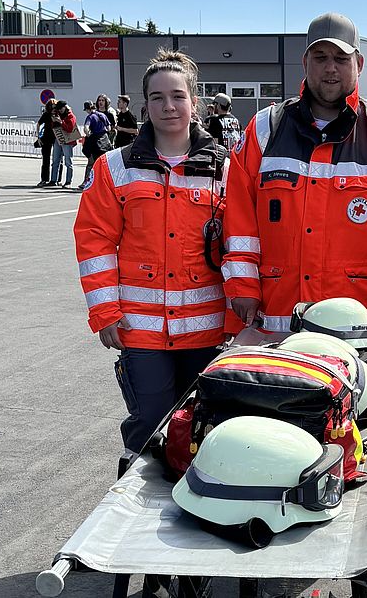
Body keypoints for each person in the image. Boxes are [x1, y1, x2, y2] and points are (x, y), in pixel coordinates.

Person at [73, 49, 240, 453]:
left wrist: (238, 318)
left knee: (205, 427)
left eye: (178, 96)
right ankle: (132, 485)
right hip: (141, 329)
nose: (169, 106)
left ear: (194, 102)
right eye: (157, 97)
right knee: (150, 423)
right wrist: (105, 312)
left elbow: (240, 245)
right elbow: (95, 241)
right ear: (144, 104)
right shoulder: (114, 167)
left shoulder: (225, 169)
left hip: (208, 328)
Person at [222, 12, 367, 336]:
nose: (331, 68)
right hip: (280, 321)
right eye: (321, 57)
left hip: (364, 329)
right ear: (305, 63)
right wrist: (243, 285)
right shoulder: (265, 129)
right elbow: (239, 217)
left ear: (359, 64)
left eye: (341, 59)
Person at [79, 101, 112, 189]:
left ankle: (86, 182)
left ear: (87, 109)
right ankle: (104, 183)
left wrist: (89, 135)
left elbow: (86, 128)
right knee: (103, 164)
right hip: (105, 142)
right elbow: (109, 128)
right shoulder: (102, 115)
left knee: (91, 163)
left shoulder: (90, 117)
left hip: (95, 143)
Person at [50, 101, 78, 188]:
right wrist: (54, 120)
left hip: (68, 141)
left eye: (61, 108)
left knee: (68, 162)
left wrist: (61, 122)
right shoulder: (58, 114)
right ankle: (53, 180)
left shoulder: (70, 116)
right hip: (58, 139)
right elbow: (53, 127)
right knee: (55, 160)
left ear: (65, 107)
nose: (60, 110)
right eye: (58, 109)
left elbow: (70, 129)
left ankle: (68, 182)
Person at [36, 99, 58, 187]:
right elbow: (38, 124)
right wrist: (38, 137)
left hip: (57, 139)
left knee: (58, 160)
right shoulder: (46, 115)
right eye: (51, 107)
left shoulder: (58, 114)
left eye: (54, 107)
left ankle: (57, 179)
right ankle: (44, 179)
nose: (53, 109)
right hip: (46, 138)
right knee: (46, 160)